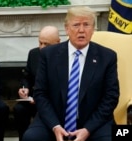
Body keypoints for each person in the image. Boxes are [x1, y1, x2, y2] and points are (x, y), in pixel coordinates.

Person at [22, 6, 119, 141]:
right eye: (76, 25)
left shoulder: (107, 57)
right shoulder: (48, 55)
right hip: (54, 119)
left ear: (93, 29)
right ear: (67, 29)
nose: (81, 30)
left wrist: (88, 130)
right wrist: (55, 126)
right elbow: (40, 93)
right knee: (31, 138)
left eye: (86, 25)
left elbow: (111, 97)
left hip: (94, 122)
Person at [13, 26, 60, 141]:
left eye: (46, 44)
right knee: (19, 109)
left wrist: (41, 99)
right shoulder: (33, 54)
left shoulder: (64, 57)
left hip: (52, 103)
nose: (42, 47)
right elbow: (26, 76)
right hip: (32, 100)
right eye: (40, 43)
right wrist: (25, 88)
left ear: (58, 43)